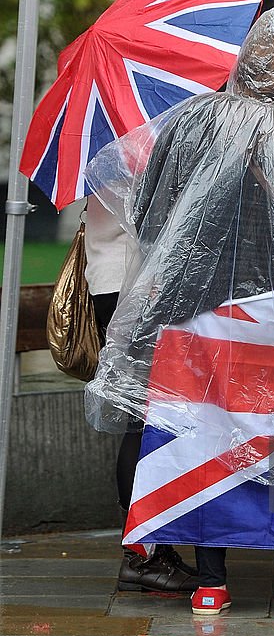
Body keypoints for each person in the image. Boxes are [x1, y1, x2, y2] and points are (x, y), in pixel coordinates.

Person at [84, 7, 274, 618]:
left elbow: (152, 219)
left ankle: (210, 584)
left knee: (202, 441)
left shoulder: (188, 123)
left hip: (196, 317)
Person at [86, 196, 200, 594]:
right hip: (135, 288)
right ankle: (142, 556)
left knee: (146, 419)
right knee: (143, 421)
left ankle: (150, 550)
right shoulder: (134, 145)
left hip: (113, 283)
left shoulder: (106, 142)